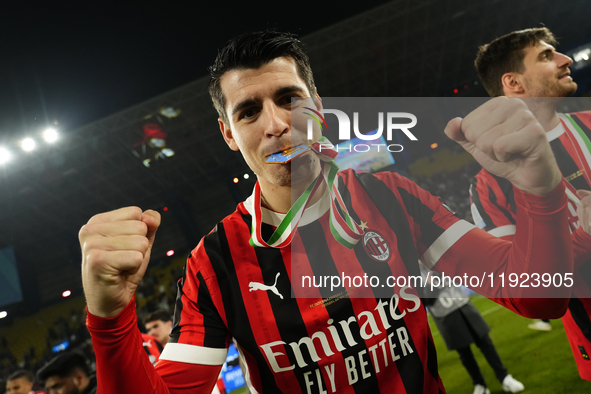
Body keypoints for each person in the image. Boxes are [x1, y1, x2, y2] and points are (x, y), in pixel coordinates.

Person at [80, 30, 579, 393]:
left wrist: (541, 191)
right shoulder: (213, 262)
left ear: (317, 105)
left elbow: (538, 298)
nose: (276, 123)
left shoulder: (391, 195)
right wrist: (110, 318)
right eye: (248, 111)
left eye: (289, 98)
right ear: (229, 135)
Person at [470, 27, 591, 381]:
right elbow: (527, 288)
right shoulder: (491, 185)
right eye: (546, 55)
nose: (565, 59)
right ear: (514, 83)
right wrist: (584, 236)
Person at [420, 266, 523, 394]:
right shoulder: (412, 273)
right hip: (445, 315)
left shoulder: (436, 260)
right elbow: (424, 301)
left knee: (485, 342)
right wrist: (431, 285)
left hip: (463, 305)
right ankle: (480, 385)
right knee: (464, 353)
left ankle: (504, 377)